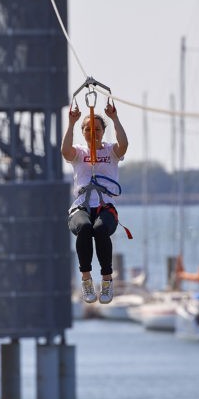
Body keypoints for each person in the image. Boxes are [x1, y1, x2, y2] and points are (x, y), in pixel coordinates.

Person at [61, 101, 128, 304]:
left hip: (104, 207)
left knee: (99, 230)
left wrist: (114, 118)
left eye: (97, 129)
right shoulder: (79, 153)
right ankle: (86, 278)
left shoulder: (111, 151)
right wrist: (71, 123)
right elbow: (65, 151)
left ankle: (107, 280)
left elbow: (124, 144)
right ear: (83, 132)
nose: (93, 133)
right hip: (81, 207)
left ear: (102, 131)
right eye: (88, 129)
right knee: (84, 227)